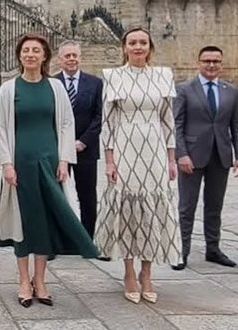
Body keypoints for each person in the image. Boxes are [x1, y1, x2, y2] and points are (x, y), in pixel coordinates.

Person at [0, 34, 98, 307]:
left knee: (43, 221)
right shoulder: (8, 89)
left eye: (36, 51)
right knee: (22, 221)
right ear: (19, 56)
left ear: (44, 56)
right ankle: (22, 281)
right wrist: (6, 163)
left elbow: (66, 124)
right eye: (25, 50)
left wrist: (64, 160)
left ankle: (40, 281)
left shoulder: (55, 88)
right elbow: (2, 128)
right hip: (20, 166)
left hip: (49, 163)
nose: (30, 54)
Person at [94, 27, 182, 304]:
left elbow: (168, 120)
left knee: (152, 211)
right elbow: (107, 123)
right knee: (128, 209)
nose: (138, 47)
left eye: (143, 42)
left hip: (154, 147)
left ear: (150, 47)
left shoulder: (163, 75)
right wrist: (109, 160)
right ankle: (129, 271)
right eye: (132, 42)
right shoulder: (113, 76)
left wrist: (171, 158)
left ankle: (147, 273)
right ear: (124, 47)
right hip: (125, 146)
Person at [171, 45, 238, 270]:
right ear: (198, 63)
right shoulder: (184, 89)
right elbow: (177, 124)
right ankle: (181, 252)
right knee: (187, 207)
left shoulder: (230, 91)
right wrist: (181, 154)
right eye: (207, 61)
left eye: (215, 61)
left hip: (221, 156)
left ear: (221, 64)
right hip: (192, 158)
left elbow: (237, 125)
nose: (211, 65)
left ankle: (213, 249)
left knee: (215, 206)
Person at [53, 39, 103, 237]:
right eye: (67, 56)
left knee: (87, 196)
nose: (71, 59)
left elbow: (100, 116)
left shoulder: (95, 83)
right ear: (60, 59)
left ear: (80, 58)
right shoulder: (52, 82)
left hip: (86, 149)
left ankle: (87, 237)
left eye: (75, 55)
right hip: (58, 150)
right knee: (59, 195)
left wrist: (83, 141)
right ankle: (60, 238)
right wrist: (62, 144)